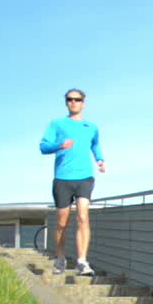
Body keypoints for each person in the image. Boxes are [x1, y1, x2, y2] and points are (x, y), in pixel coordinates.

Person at [39, 88, 105, 275]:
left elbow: (95, 144)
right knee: (62, 222)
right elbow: (43, 147)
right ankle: (60, 258)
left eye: (77, 99)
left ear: (83, 103)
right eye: (70, 99)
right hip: (63, 178)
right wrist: (59, 145)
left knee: (83, 216)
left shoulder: (91, 127)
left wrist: (100, 159)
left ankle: (82, 261)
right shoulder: (57, 124)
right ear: (66, 102)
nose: (73, 102)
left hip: (85, 177)